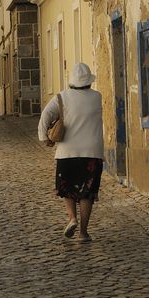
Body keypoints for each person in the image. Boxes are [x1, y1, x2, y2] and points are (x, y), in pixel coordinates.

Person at [38, 63, 104, 242]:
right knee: (87, 193)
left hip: (67, 152)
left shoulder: (62, 97)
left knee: (67, 189)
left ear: (72, 81)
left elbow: (45, 116)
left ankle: (71, 218)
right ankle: (83, 232)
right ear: (89, 81)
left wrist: (44, 137)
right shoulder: (97, 97)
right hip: (92, 152)